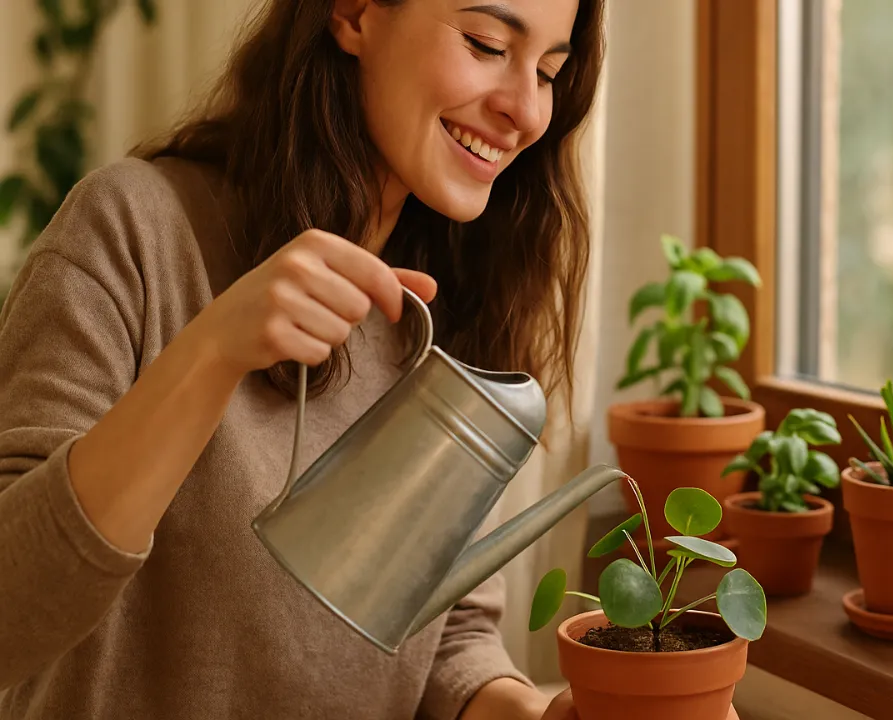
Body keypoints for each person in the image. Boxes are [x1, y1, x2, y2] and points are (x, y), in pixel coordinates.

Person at [0, 0, 620, 717]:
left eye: (549, 71)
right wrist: (210, 353)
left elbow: (444, 636)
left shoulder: (449, 299)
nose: (526, 110)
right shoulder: (134, 233)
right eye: (486, 44)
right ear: (354, 13)